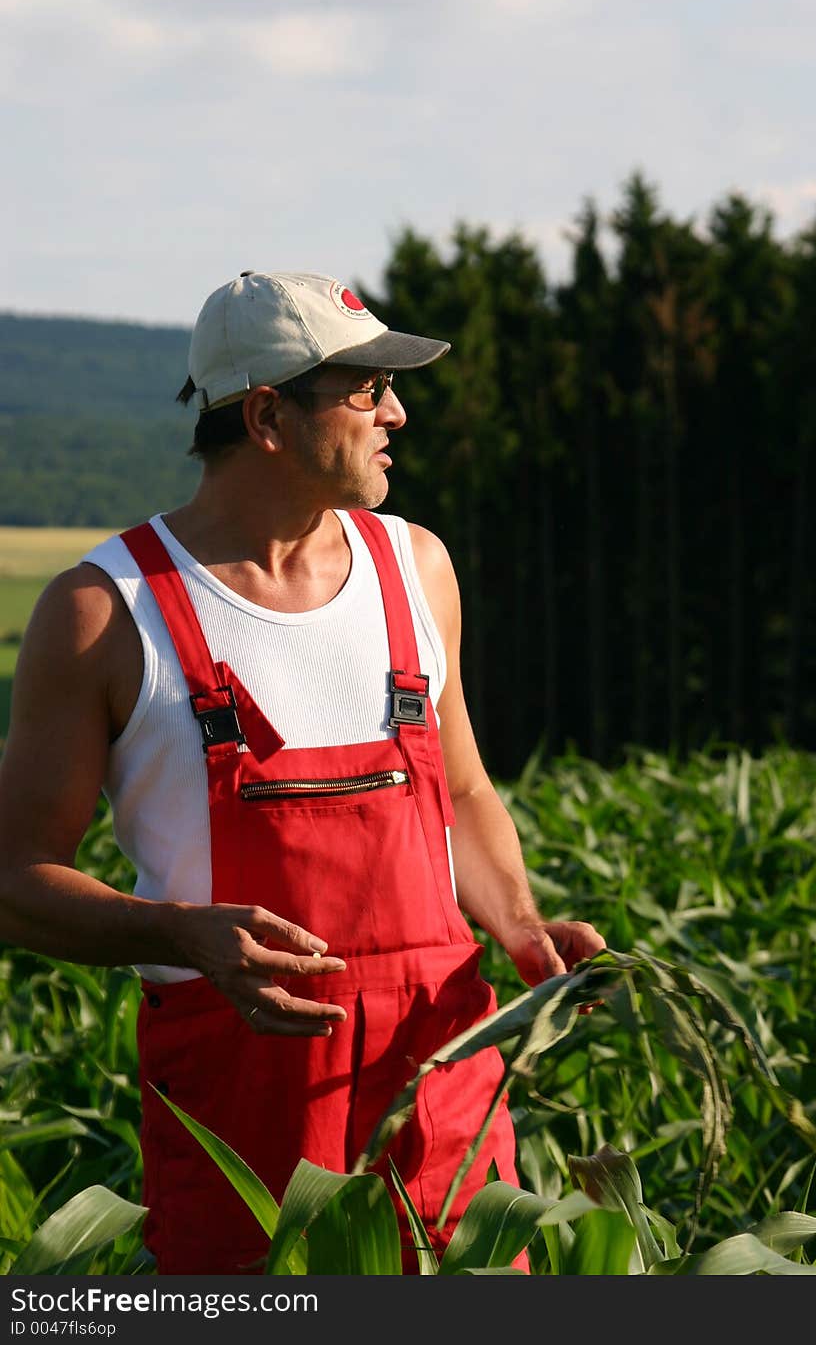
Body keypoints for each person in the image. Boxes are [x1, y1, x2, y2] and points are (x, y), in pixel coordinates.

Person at [0, 270, 605, 1274]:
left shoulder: (418, 569)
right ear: (269, 413)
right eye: (365, 390)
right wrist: (178, 932)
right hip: (245, 1126)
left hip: (440, 1094)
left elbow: (458, 790)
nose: (397, 414)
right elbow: (14, 880)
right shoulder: (105, 610)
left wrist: (522, 926)